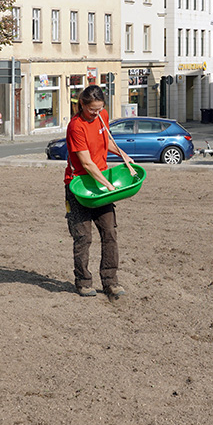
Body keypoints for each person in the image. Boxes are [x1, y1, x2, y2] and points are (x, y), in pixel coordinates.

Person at [63, 85, 136, 297]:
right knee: (83, 237)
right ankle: (83, 282)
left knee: (110, 232)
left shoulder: (102, 116)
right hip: (79, 185)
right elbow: (86, 163)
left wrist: (124, 155)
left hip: (101, 181)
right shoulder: (76, 126)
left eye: (99, 108)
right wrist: (108, 185)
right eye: (92, 110)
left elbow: (105, 144)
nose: (96, 113)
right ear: (82, 105)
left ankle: (110, 281)